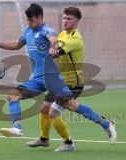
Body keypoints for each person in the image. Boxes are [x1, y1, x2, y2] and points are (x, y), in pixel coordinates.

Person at [0, 3, 117, 148]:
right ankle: (19, 129)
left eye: (31, 19)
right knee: (15, 96)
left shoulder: (52, 32)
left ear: (40, 17)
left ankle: (104, 124)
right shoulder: (29, 31)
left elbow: (54, 40)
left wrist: (55, 48)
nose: (28, 22)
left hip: (58, 79)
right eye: (64, 18)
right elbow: (17, 44)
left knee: (68, 107)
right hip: (38, 79)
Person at [26, 6, 85, 152]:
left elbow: (55, 52)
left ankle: (69, 143)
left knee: (54, 112)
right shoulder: (62, 34)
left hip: (73, 83)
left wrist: (42, 51)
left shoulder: (75, 38)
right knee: (44, 108)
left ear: (77, 21)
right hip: (60, 81)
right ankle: (44, 139)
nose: (65, 21)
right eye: (64, 18)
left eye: (69, 18)